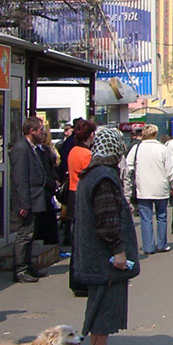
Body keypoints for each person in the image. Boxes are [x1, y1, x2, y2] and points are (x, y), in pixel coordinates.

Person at [73, 125, 139, 345]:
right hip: (104, 259)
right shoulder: (104, 177)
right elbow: (108, 219)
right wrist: (119, 251)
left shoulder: (92, 173)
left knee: (100, 306)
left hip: (94, 256)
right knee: (104, 309)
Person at [123, 124, 173, 255]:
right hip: (161, 187)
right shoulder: (162, 149)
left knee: (146, 218)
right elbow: (170, 170)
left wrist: (128, 189)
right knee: (162, 216)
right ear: (155, 134)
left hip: (143, 187)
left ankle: (148, 246)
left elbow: (128, 168)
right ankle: (162, 244)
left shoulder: (136, 148)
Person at [10, 116, 49, 283]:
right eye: (41, 130)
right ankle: (21, 269)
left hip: (35, 198)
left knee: (30, 234)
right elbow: (20, 178)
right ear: (32, 131)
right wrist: (24, 203)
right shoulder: (21, 148)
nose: (43, 134)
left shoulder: (32, 147)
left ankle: (28, 266)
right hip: (27, 200)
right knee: (24, 234)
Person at [66, 119, 96, 296]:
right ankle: (82, 280)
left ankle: (76, 280)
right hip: (82, 197)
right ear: (90, 134)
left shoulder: (73, 151)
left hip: (72, 194)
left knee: (77, 241)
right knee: (85, 242)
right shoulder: (87, 155)